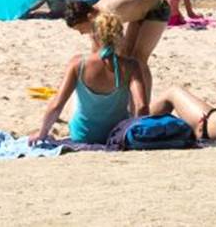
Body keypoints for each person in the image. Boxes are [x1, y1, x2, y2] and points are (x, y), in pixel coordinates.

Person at [33, 7, 145, 144]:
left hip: (83, 135)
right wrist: (137, 134)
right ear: (119, 36)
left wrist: (42, 134)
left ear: (94, 35)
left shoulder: (78, 63)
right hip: (117, 133)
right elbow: (141, 106)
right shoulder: (132, 66)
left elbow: (57, 105)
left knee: (76, 92)